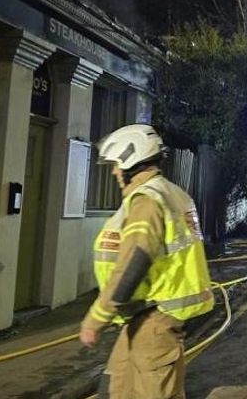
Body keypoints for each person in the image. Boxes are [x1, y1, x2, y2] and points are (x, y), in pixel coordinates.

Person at [80, 124, 214, 399]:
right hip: (144, 316)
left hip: (155, 318)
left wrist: (97, 317)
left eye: (117, 165)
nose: (115, 172)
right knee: (115, 387)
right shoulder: (170, 193)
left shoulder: (147, 201)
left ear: (131, 160)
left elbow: (134, 261)